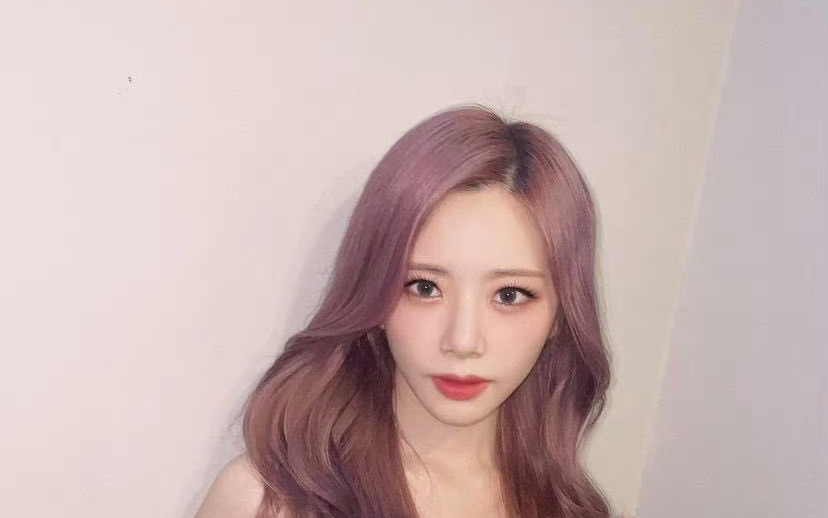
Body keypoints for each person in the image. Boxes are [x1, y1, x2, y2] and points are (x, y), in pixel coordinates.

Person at [195, 104, 614, 518]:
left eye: (509, 295)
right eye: (424, 288)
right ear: (374, 291)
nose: (462, 341)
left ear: (561, 313)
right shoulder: (266, 503)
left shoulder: (572, 509)